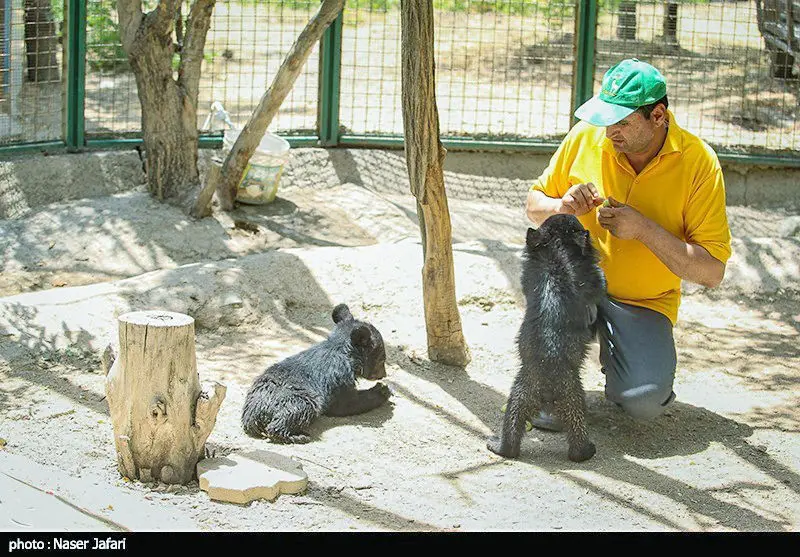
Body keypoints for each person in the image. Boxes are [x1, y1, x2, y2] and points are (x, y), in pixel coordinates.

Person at [525, 58, 731, 428]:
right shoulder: (586, 136)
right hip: (576, 287)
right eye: (606, 120)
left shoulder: (699, 163)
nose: (609, 133)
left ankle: (623, 366)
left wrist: (644, 230)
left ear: (658, 116)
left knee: (643, 401)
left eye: (621, 122)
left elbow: (712, 272)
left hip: (644, 302)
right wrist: (562, 207)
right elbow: (533, 207)